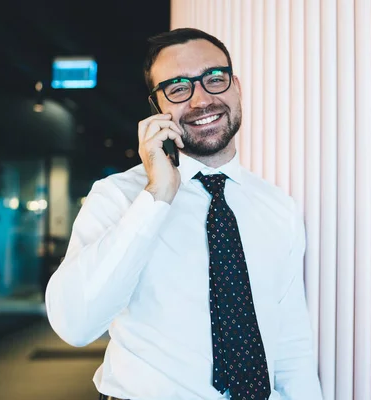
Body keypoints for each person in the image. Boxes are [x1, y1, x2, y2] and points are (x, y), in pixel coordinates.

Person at [45, 28, 323, 400]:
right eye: (178, 88)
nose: (201, 99)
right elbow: (75, 324)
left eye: (214, 79)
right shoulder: (119, 197)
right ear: (157, 107)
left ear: (235, 86)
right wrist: (156, 196)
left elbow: (291, 346)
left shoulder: (277, 208)